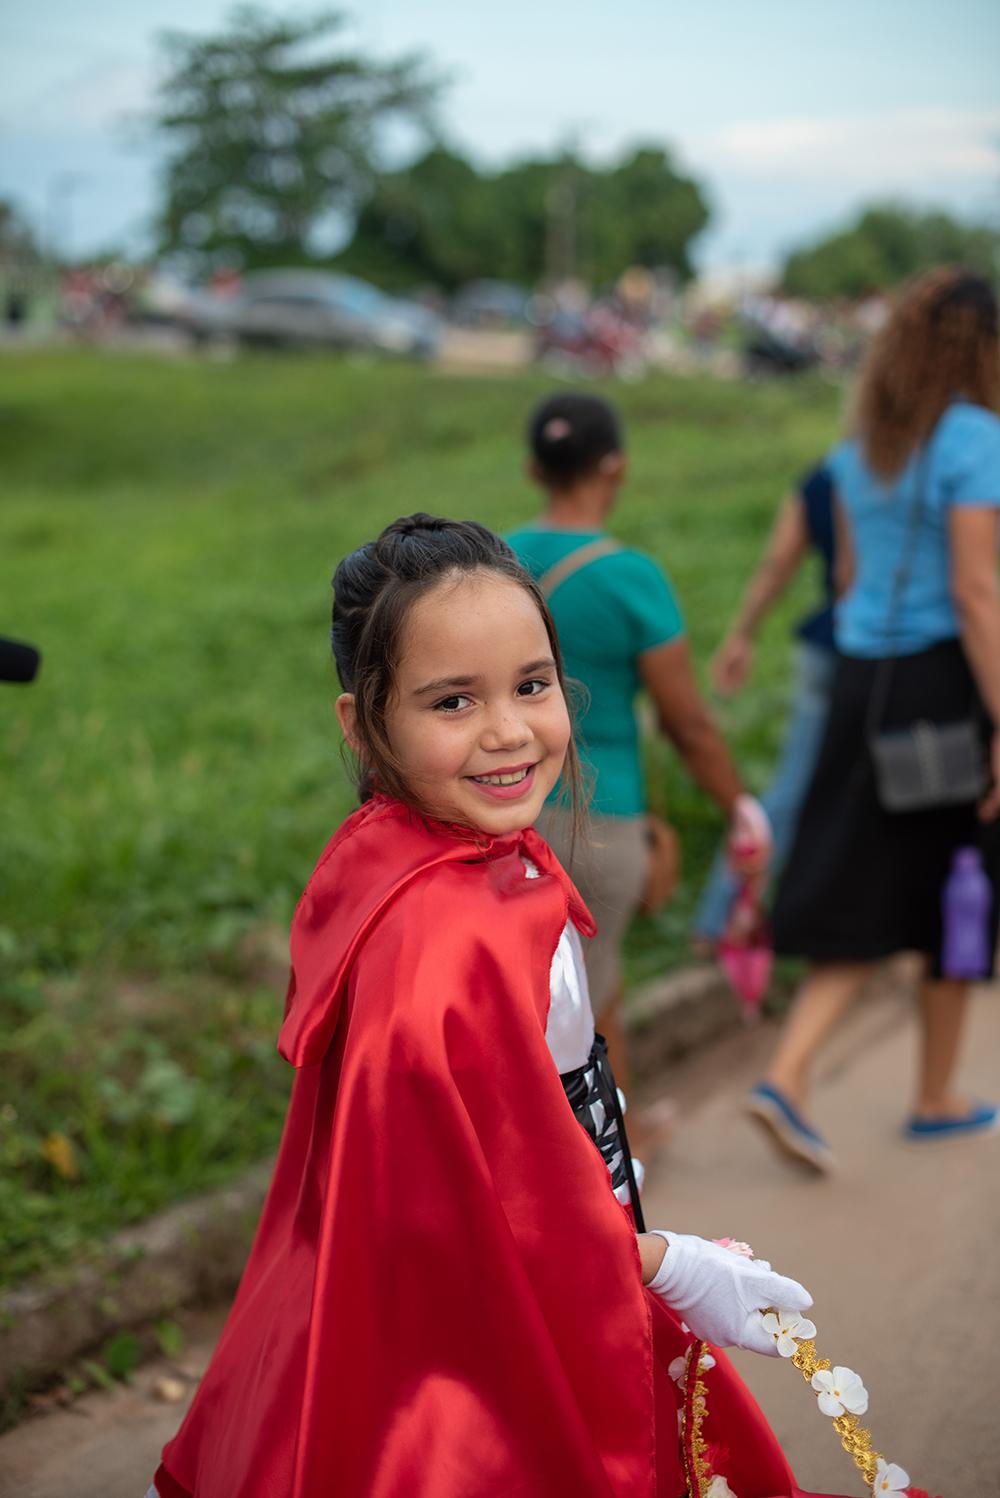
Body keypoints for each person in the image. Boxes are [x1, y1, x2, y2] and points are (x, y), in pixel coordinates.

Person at [151, 515, 841, 1498]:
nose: (508, 730)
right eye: (450, 701)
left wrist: (591, 1145)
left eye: (531, 684)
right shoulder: (440, 940)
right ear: (363, 724)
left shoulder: (459, 857)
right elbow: (473, 1208)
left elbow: (513, 1117)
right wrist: (658, 1257)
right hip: (467, 1345)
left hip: (530, 1275)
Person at [751, 267, 1000, 1173]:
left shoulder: (865, 448)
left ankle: (801, 1071)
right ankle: (923, 1093)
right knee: (961, 879)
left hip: (863, 680)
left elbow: (851, 579)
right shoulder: (976, 439)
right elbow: (975, 590)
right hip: (940, 690)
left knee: (880, 877)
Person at [508, 393, 770, 1086]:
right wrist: (740, 807)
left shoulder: (494, 564)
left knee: (573, 997)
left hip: (501, 813)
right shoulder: (631, 578)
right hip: (600, 823)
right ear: (616, 467)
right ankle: (599, 1172)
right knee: (582, 1005)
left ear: (535, 469)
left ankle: (620, 1150)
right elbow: (688, 724)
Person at [693, 463, 837, 946]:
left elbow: (778, 562)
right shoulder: (947, 460)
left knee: (790, 793)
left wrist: (742, 635)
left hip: (826, 647)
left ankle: (719, 923)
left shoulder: (833, 472)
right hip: (909, 659)